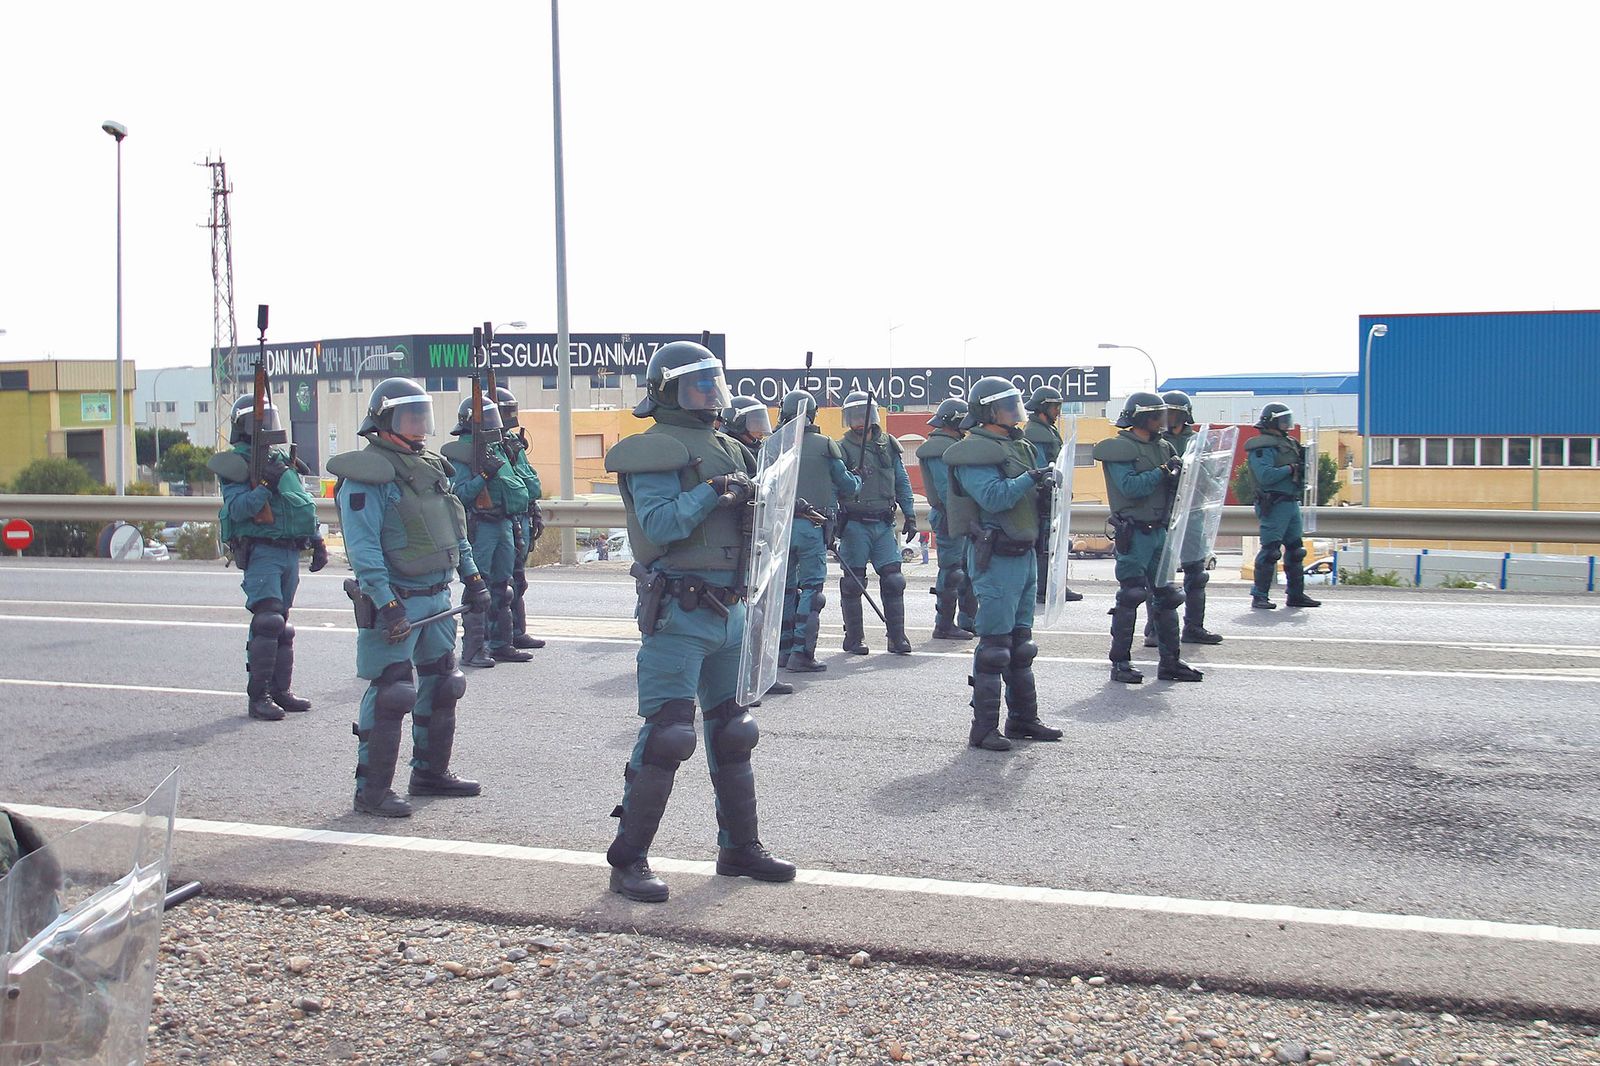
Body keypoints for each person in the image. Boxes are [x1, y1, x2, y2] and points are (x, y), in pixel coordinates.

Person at [602, 341, 795, 902]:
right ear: (667, 392)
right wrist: (712, 493)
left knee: (735, 731)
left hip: (732, 607)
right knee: (669, 735)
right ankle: (628, 860)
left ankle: (739, 848)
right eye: (697, 384)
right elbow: (661, 525)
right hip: (680, 611)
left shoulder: (732, 446)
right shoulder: (654, 449)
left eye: (714, 382)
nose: (711, 393)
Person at [328, 378, 493, 817]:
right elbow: (363, 548)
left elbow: (454, 528)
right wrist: (385, 603)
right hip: (398, 599)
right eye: (409, 417)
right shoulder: (368, 476)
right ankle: (372, 792)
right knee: (393, 692)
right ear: (384, 421)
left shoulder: (430, 468)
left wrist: (473, 577)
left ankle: (429, 774)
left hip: (437, 596)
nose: (419, 425)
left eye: (423, 415)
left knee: (444, 684)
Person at [943, 378, 1065, 750]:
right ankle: (983, 729)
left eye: (1016, 404)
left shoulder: (1020, 445)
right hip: (994, 556)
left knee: (1021, 645)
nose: (1016, 411)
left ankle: (1023, 719)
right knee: (995, 647)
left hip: (1023, 554)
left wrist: (1047, 487)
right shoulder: (973, 451)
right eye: (1007, 405)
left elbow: (1033, 494)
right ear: (988, 410)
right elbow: (994, 497)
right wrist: (1030, 478)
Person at [207, 393, 327, 722]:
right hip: (262, 550)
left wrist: (317, 539)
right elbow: (239, 508)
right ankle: (258, 697)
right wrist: (263, 484)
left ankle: (280, 690)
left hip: (289, 550)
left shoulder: (278, 459)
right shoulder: (238, 464)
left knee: (282, 627)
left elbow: (300, 503)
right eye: (260, 422)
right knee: (268, 621)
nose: (267, 428)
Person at [1092, 392, 1203, 685]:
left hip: (1160, 530)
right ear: (1142, 417)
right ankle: (1120, 662)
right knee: (1131, 596)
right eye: (1156, 416)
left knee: (1167, 597)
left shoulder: (1164, 447)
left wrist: (1179, 474)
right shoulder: (1119, 448)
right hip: (1135, 532)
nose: (1162, 421)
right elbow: (1130, 487)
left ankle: (1170, 661)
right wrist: (1163, 472)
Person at [442, 394, 535, 668]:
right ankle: (474, 649)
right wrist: (483, 476)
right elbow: (459, 495)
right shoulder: (462, 454)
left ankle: (501, 643)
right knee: (478, 587)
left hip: (503, 522)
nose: (496, 425)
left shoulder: (496, 448)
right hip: (481, 525)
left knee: (504, 587)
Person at [775, 390, 860, 673]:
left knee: (786, 590)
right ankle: (802, 653)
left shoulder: (774, 445)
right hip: (812, 526)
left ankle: (783, 651)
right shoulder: (825, 445)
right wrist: (857, 478)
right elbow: (848, 486)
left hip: (780, 527)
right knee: (812, 591)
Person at [836, 391, 917, 655]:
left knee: (894, 580)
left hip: (883, 522)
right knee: (853, 583)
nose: (859, 422)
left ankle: (896, 636)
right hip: (854, 523)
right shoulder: (840, 448)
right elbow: (834, 485)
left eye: (863, 415)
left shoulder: (888, 444)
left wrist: (910, 513)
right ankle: (854, 638)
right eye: (854, 417)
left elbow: (901, 480)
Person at [1143, 390, 1223, 646]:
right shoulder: (1155, 442)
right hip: (1164, 513)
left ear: (1185, 415)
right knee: (1158, 576)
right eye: (1165, 412)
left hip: (1192, 511)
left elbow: (1209, 479)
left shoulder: (1198, 442)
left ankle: (1194, 627)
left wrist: (1196, 474)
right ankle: (1155, 628)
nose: (1168, 417)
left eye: (1174, 412)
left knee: (1196, 573)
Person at [1246, 402, 1321, 610]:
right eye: (1282, 420)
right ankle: (1259, 595)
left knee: (1296, 551)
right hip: (1274, 503)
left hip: (1291, 501)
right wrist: (1290, 469)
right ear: (1272, 422)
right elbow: (1265, 475)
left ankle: (1296, 594)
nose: (1287, 424)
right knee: (1271, 551)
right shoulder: (1262, 447)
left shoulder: (1289, 443)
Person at [915, 398, 977, 640]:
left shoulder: (952, 445)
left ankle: (968, 620)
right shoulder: (939, 448)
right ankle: (943, 625)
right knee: (952, 572)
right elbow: (946, 491)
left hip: (961, 515)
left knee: (967, 570)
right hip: (950, 516)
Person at [1022, 385, 1084, 605]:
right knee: (1046, 543)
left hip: (1054, 495)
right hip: (1044, 496)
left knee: (1055, 542)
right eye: (1055, 406)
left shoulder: (1046, 430)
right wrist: (1050, 488)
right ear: (1043, 407)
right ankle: (1044, 588)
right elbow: (1041, 466)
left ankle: (1054, 586)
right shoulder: (1035, 433)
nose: (1058, 411)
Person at [495, 386, 547, 651]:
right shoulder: (490, 447)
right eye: (505, 412)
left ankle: (517, 631)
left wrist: (533, 507)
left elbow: (528, 481)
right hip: (501, 518)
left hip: (521, 514)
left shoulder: (512, 442)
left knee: (518, 579)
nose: (510, 417)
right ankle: (497, 638)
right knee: (502, 583)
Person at [722, 396, 772, 472]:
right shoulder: (726, 453)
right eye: (756, 424)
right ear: (738, 424)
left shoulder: (763, 453)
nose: (761, 432)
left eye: (762, 423)